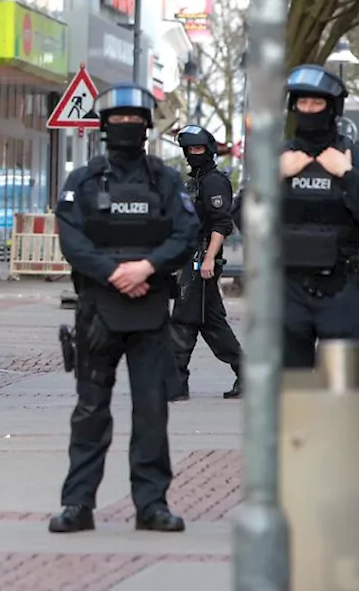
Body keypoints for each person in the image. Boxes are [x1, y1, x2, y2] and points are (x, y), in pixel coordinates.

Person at [49, 85, 199, 535]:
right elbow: (72, 238)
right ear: (103, 125)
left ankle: (151, 505)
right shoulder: (84, 181)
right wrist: (116, 274)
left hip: (151, 311)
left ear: (147, 126)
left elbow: (186, 230)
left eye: (135, 119)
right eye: (119, 118)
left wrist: (147, 267)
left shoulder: (165, 180)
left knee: (152, 412)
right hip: (99, 310)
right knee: (90, 411)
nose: (127, 126)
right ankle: (78, 504)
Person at [278, 64, 359, 369]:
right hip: (286, 288)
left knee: (353, 391)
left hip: (341, 284)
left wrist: (347, 175)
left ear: (333, 108)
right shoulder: (277, 157)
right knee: (291, 394)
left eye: (316, 103)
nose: (308, 110)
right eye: (302, 103)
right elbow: (244, 219)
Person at [169, 125, 242, 401]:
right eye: (189, 149)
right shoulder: (195, 181)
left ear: (208, 149)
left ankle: (176, 383)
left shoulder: (213, 181)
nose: (193, 153)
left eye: (198, 148)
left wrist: (209, 257)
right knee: (211, 323)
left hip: (202, 260)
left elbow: (221, 224)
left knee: (184, 321)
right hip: (191, 259)